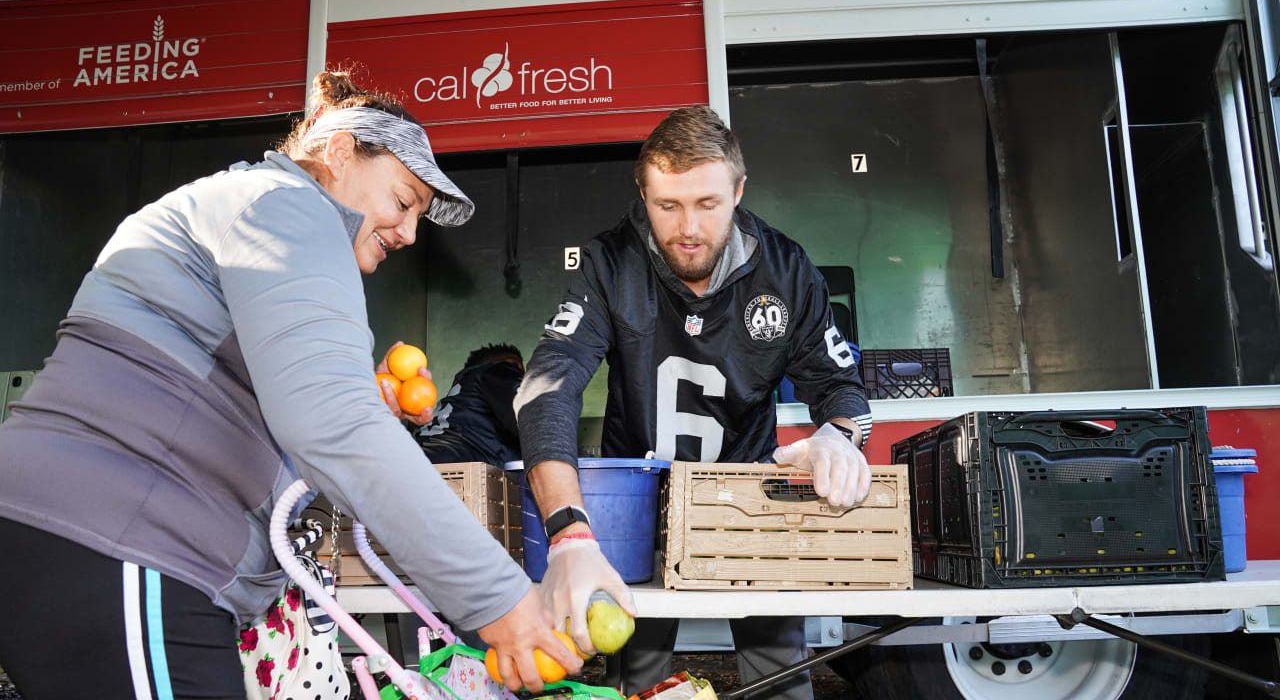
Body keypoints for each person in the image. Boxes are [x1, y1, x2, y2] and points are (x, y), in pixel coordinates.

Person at [0, 71, 578, 698]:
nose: (410, 233)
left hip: (93, 541)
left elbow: (232, 386)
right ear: (337, 152)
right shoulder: (285, 205)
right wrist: (499, 599)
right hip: (118, 541)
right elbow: (333, 424)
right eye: (403, 201)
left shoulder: (244, 203)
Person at [514, 105, 874, 699]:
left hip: (750, 504)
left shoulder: (786, 271)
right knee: (639, 680)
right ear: (643, 193)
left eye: (708, 204)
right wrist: (570, 532)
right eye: (667, 205)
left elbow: (842, 389)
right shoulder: (610, 263)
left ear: (738, 190)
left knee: (779, 672)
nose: (688, 227)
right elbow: (547, 387)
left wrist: (839, 436)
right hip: (639, 516)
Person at [416, 343, 525, 467]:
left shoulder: (464, 390)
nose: (520, 373)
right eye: (516, 366)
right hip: (456, 460)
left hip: (423, 455)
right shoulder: (498, 370)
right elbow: (527, 415)